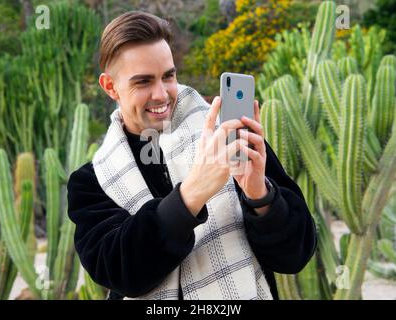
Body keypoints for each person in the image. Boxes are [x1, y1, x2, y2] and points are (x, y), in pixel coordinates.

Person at [67, 11, 317, 300]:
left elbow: (296, 255)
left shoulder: (225, 137)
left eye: (168, 76)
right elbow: (119, 272)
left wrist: (261, 197)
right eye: (143, 82)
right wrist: (191, 195)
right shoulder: (91, 181)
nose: (161, 94)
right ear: (110, 87)